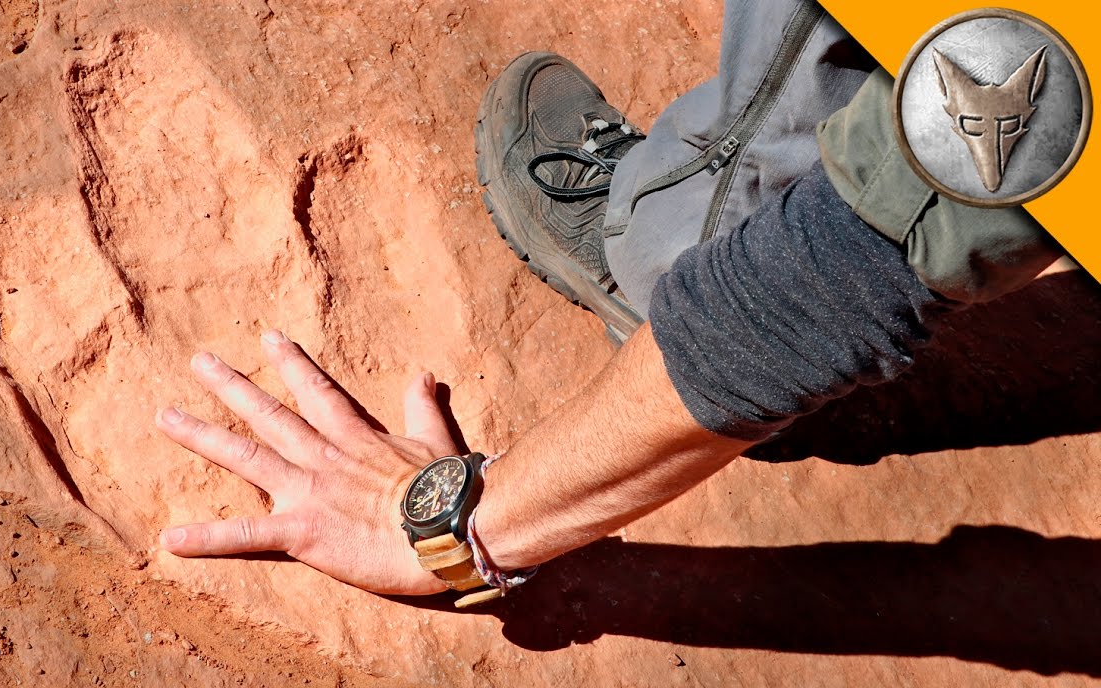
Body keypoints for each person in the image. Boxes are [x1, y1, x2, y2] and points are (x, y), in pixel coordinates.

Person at [152, 0, 1060, 599]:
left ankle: (689, 239)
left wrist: (453, 527)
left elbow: (828, 281)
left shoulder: (1047, 69)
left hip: (1040, 74)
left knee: (908, 190)